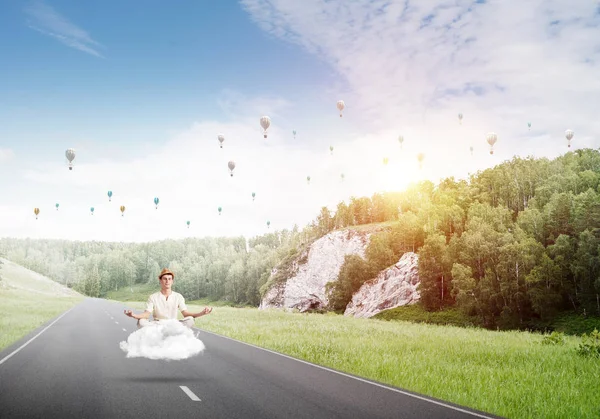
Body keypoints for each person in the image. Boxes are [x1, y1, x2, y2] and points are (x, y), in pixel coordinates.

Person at [124, 268, 212, 328]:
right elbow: (146, 314)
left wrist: (202, 313)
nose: (167, 281)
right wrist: (133, 315)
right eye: (165, 279)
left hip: (173, 325)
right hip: (157, 324)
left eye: (170, 279)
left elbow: (185, 314)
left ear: (172, 281)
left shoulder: (178, 296)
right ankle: (159, 335)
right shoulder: (153, 297)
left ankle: (173, 335)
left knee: (190, 320)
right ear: (160, 280)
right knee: (141, 322)